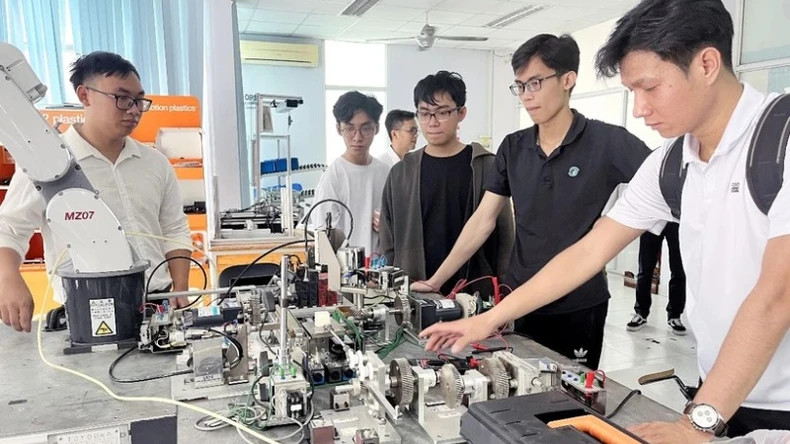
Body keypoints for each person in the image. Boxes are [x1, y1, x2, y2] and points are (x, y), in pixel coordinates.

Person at [420, 0, 790, 440]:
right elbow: (590, 251)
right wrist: (485, 320)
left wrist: (697, 423)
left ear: (707, 63)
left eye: (649, 87)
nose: (639, 109)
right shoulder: (672, 162)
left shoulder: (779, 143)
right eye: (632, 91)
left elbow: (777, 294)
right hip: (724, 395)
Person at [412, 35, 651, 369]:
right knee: (519, 387)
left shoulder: (608, 142)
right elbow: (483, 221)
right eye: (520, 86)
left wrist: (613, 223)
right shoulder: (514, 147)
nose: (526, 95)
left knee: (571, 399)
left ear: (568, 79)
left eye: (535, 83)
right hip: (520, 299)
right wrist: (436, 281)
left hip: (579, 303)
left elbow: (659, 188)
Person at [0, 51, 192, 333]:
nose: (134, 109)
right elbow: (10, 229)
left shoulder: (155, 164)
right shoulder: (50, 163)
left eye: (139, 100)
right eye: (122, 98)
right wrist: (7, 276)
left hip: (158, 307)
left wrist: (181, 289)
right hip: (86, 311)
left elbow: (174, 229)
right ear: (85, 95)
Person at [379, 71, 514, 296]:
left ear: (461, 113)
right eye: (424, 113)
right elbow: (389, 238)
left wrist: (504, 292)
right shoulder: (402, 172)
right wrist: (400, 284)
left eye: (442, 112)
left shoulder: (486, 166)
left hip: (475, 292)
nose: (432, 122)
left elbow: (505, 239)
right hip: (418, 289)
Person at [311, 91, 390, 255]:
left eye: (366, 128)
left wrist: (388, 225)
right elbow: (324, 236)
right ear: (339, 129)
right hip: (345, 271)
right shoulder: (333, 177)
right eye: (349, 129)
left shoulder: (385, 172)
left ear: (376, 128)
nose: (357, 137)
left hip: (380, 268)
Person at [628, 222, 687, 335]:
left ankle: (675, 315)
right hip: (653, 218)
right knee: (645, 269)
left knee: (678, 270)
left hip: (676, 219)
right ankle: (641, 313)